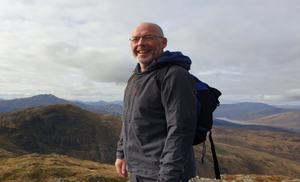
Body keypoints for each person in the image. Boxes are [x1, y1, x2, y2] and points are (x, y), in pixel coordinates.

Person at [115, 22, 197, 182]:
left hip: (162, 173)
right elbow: (128, 121)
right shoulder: (135, 78)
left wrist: (168, 176)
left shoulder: (174, 75)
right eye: (135, 39)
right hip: (138, 170)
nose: (140, 44)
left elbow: (180, 131)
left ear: (163, 42)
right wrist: (122, 154)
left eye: (148, 38)